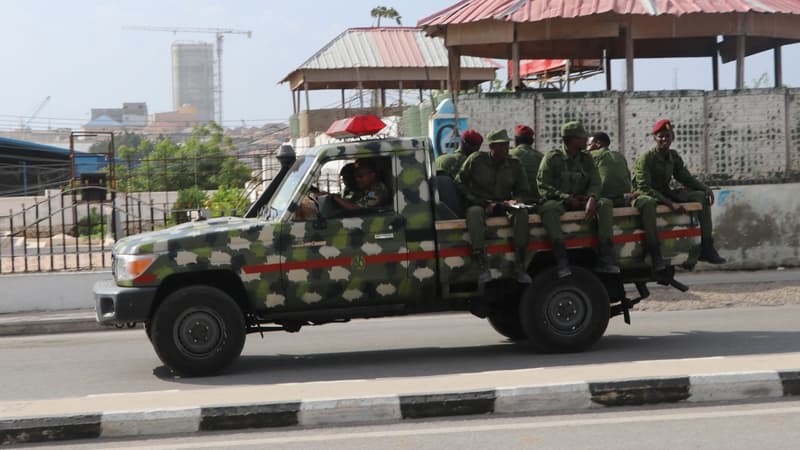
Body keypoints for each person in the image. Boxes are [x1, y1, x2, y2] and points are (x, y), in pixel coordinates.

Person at [631, 119, 725, 268]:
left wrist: (704, 188)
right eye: (660, 136)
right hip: (646, 195)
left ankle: (707, 248)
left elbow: (684, 177)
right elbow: (644, 187)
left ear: (672, 138)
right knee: (648, 204)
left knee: (700, 197)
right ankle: (654, 253)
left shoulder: (673, 156)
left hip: (664, 193)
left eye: (667, 136)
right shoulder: (646, 158)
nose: (664, 139)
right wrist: (670, 204)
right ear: (655, 138)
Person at [537, 121, 619, 278]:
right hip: (561, 202)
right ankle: (562, 260)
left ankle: (606, 258)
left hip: (582, 201)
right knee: (548, 209)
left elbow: (596, 181)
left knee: (605, 204)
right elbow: (543, 185)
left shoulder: (586, 159)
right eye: (582, 137)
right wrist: (566, 198)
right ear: (572, 140)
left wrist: (593, 198)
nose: (585, 140)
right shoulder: (552, 158)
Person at [455, 129, 533, 284]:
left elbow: (523, 190)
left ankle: (520, 266)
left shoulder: (514, 164)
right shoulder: (476, 160)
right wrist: (476, 200)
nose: (506, 148)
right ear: (492, 147)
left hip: (505, 204)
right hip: (482, 203)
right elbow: (459, 181)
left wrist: (515, 201)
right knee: (474, 213)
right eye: (502, 145)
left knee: (522, 213)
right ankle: (483, 266)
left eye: (507, 144)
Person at [587, 131, 638, 208]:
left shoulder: (591, 155)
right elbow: (628, 176)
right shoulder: (620, 156)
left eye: (589, 145)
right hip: (623, 198)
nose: (587, 148)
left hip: (603, 200)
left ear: (598, 143)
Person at [509, 124, 544, 201]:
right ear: (531, 141)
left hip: (517, 201)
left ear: (516, 140)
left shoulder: (509, 155)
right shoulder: (541, 156)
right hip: (537, 200)